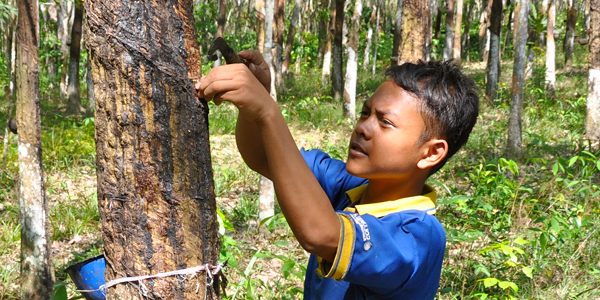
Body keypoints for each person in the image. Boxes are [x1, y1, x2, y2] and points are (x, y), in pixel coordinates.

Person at [194, 52, 479, 299]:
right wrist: (254, 106)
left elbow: (322, 235)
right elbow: (265, 157)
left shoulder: (417, 236)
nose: (363, 128)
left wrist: (269, 113)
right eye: (366, 113)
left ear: (431, 153)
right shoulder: (350, 184)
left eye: (385, 122)